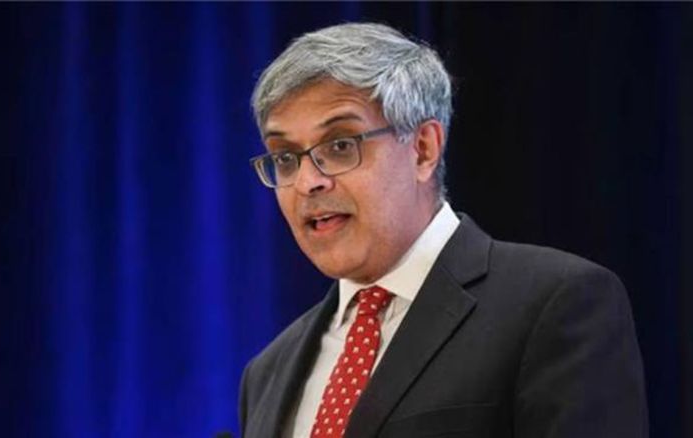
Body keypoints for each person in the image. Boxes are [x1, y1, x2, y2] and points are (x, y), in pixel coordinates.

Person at [239, 22, 648, 438]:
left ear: (423, 149)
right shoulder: (267, 372)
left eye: (340, 146)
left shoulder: (555, 304)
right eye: (286, 158)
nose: (308, 182)